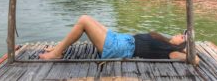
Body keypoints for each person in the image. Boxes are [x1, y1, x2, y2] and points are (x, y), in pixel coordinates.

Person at [39, 15, 199, 64]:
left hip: (120, 48)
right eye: (182, 33)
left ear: (182, 45)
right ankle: (57, 49)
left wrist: (186, 48)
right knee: (88, 19)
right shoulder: (165, 42)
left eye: (182, 37)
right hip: (121, 39)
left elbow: (195, 61)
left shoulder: (172, 52)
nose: (179, 34)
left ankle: (56, 53)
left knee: (83, 21)